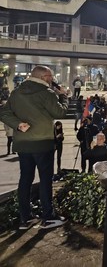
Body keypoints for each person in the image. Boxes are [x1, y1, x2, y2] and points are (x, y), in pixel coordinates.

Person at [0, 65, 68, 229]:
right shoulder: (47, 93)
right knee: (45, 180)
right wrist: (64, 97)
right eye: (51, 76)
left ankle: (25, 218)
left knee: (25, 179)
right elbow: (60, 113)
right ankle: (48, 217)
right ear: (44, 77)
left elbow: (4, 113)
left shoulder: (16, 92)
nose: (52, 79)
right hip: (43, 143)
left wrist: (18, 125)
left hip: (23, 144)